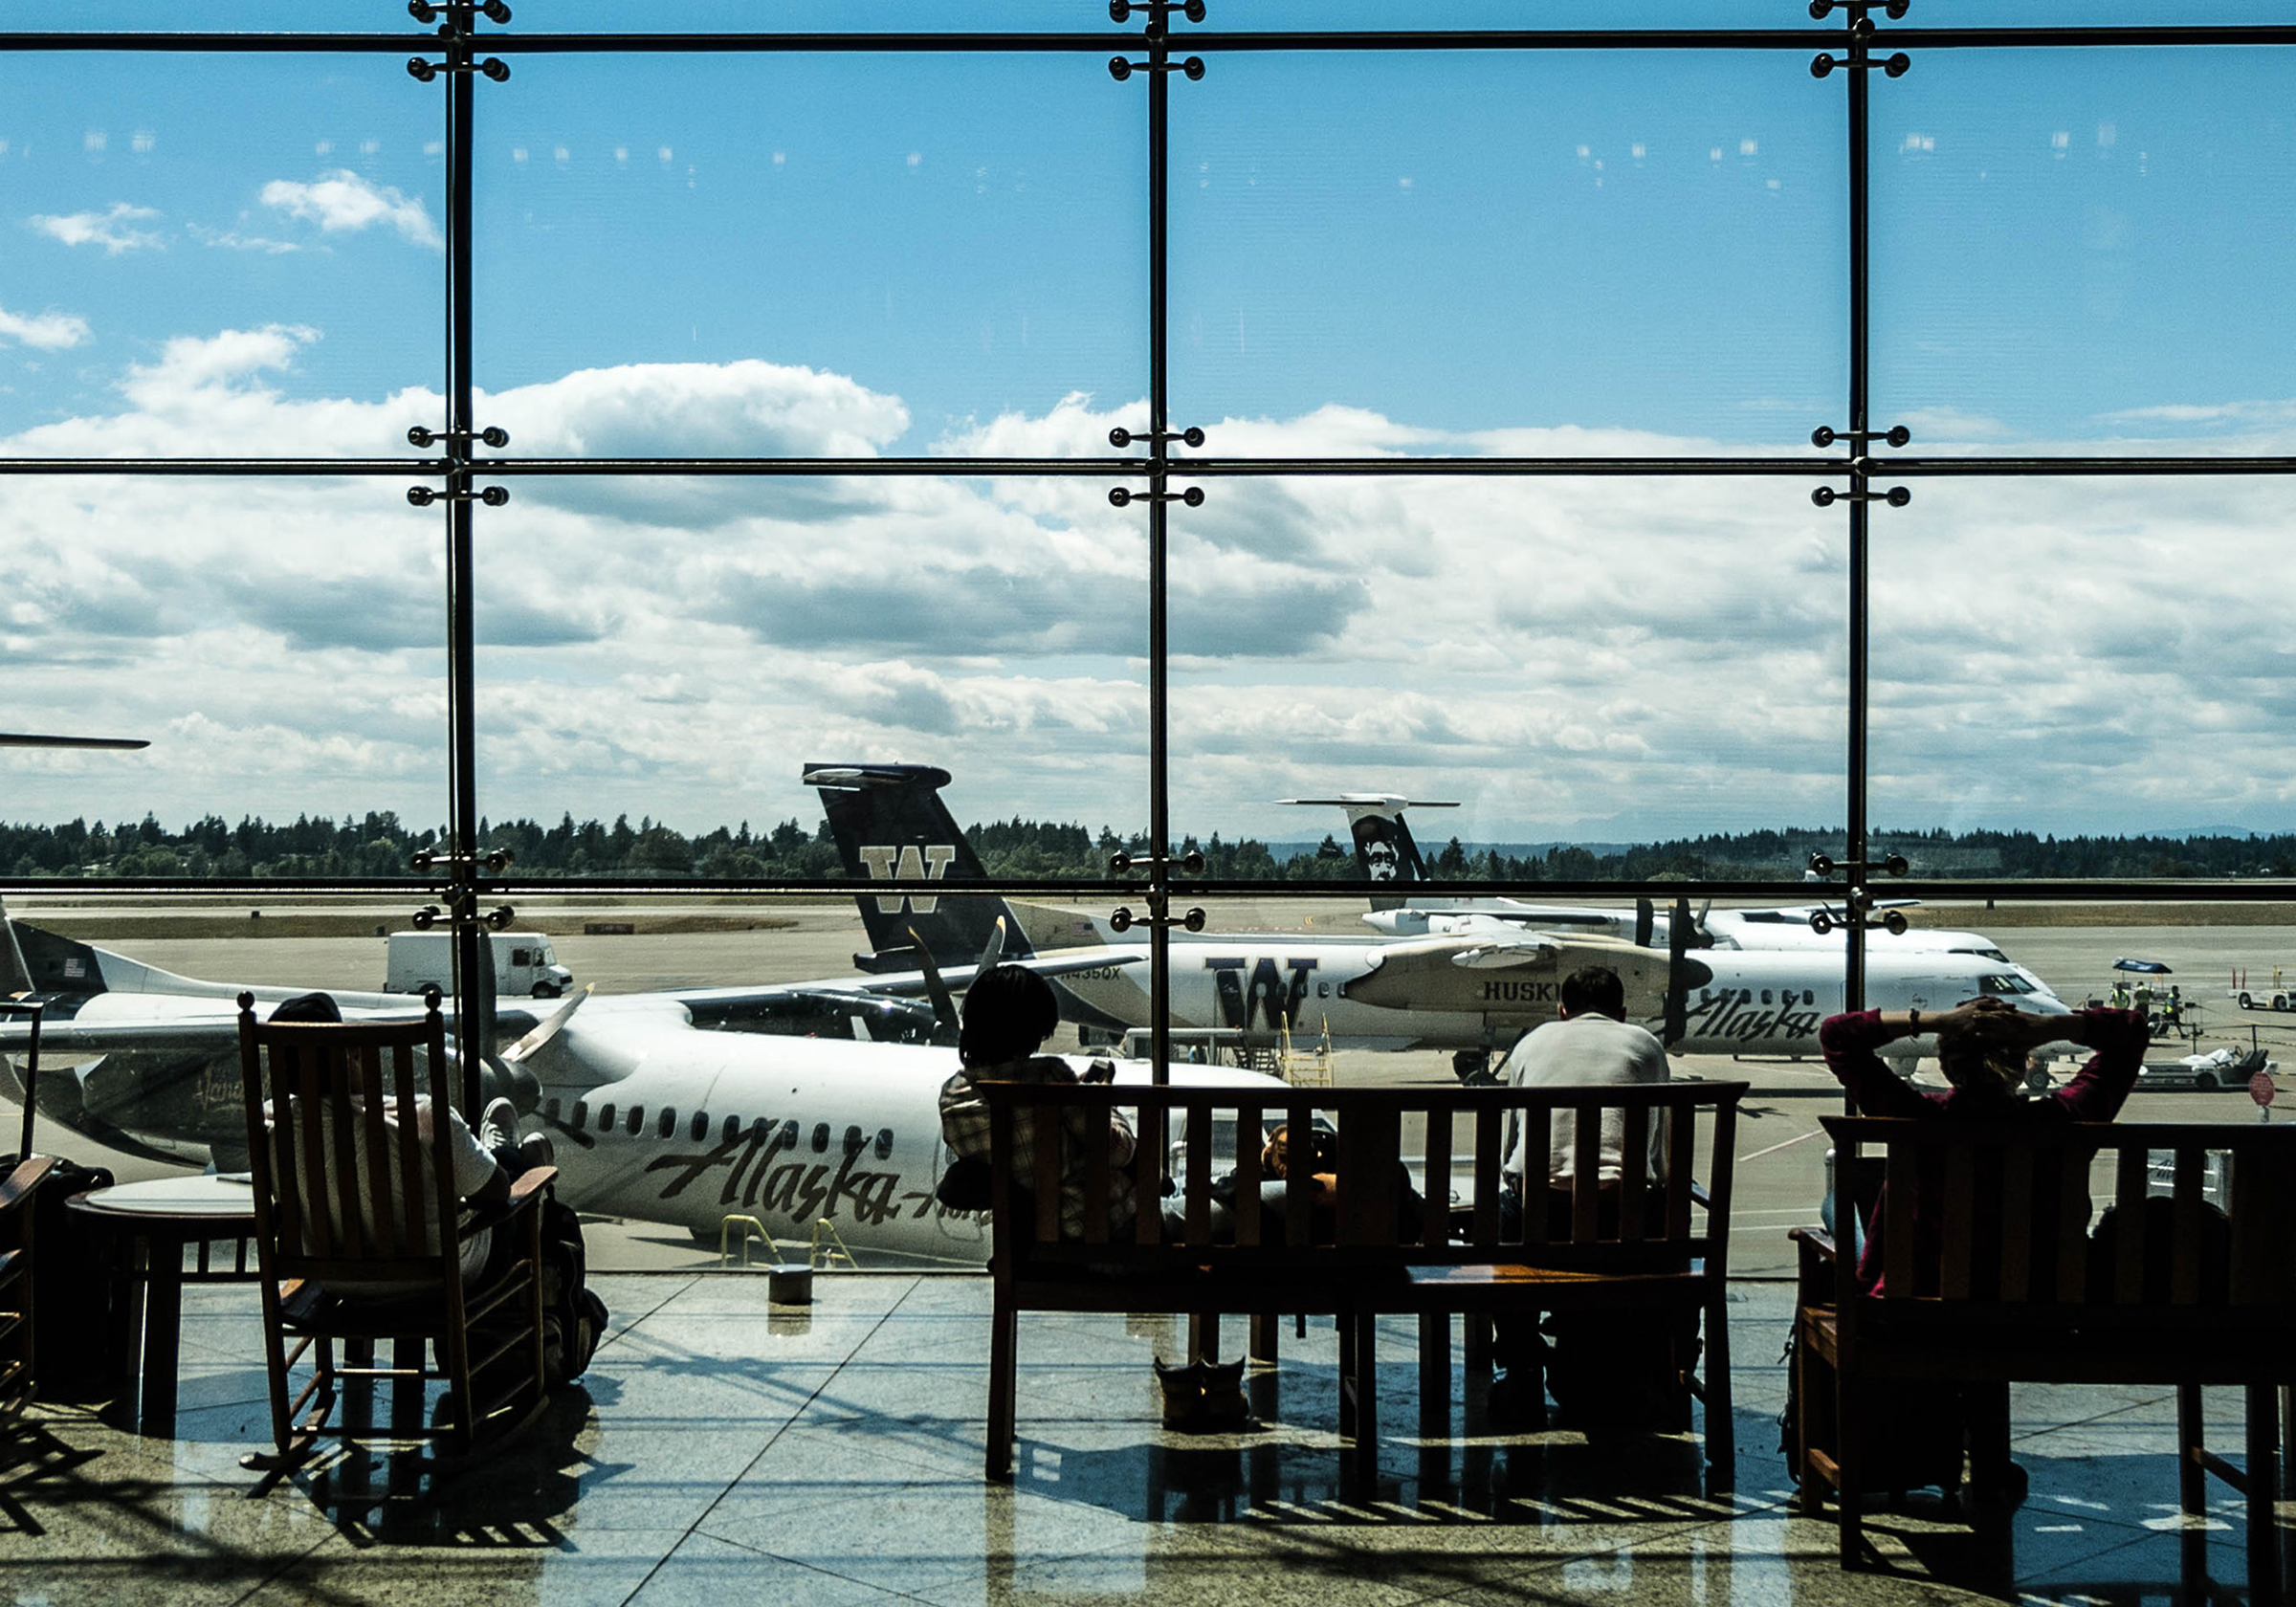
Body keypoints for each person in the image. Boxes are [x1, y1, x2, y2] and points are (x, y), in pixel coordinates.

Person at [1814, 994, 2148, 1510]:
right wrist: (2047, 1026)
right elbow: (2130, 1032)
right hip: (2039, 1314)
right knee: (1988, 1290)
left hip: (1916, 1313)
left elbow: (1838, 1035)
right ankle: (1984, 1459)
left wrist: (1931, 1020)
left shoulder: (1916, 1116)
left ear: (1947, 1064)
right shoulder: (2066, 1119)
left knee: (1837, 1205)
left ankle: (1936, 1445)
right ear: (2023, 1062)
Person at [1490, 965, 1676, 1426]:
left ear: (1562, 1011)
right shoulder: (1646, 1045)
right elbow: (1660, 1156)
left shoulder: (1531, 1042)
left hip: (1542, 1221)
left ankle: (1520, 1362)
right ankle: (1657, 1362)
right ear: (1624, 1013)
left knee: (1506, 1221)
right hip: (1623, 1226)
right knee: (1659, 1217)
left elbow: (1510, 1147)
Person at [263, 992, 543, 1292]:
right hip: (439, 1279)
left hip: (337, 1283)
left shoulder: (270, 1130)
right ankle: (503, 1154)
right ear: (354, 1052)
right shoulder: (421, 1118)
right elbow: (497, 1195)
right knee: (517, 1179)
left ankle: (493, 1152)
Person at [938, 964, 1137, 1242]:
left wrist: (1072, 1092)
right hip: (1106, 1228)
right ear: (1034, 1032)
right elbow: (1118, 1151)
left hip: (1027, 1242)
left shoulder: (952, 1094)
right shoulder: (1050, 1076)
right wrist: (1100, 1102)